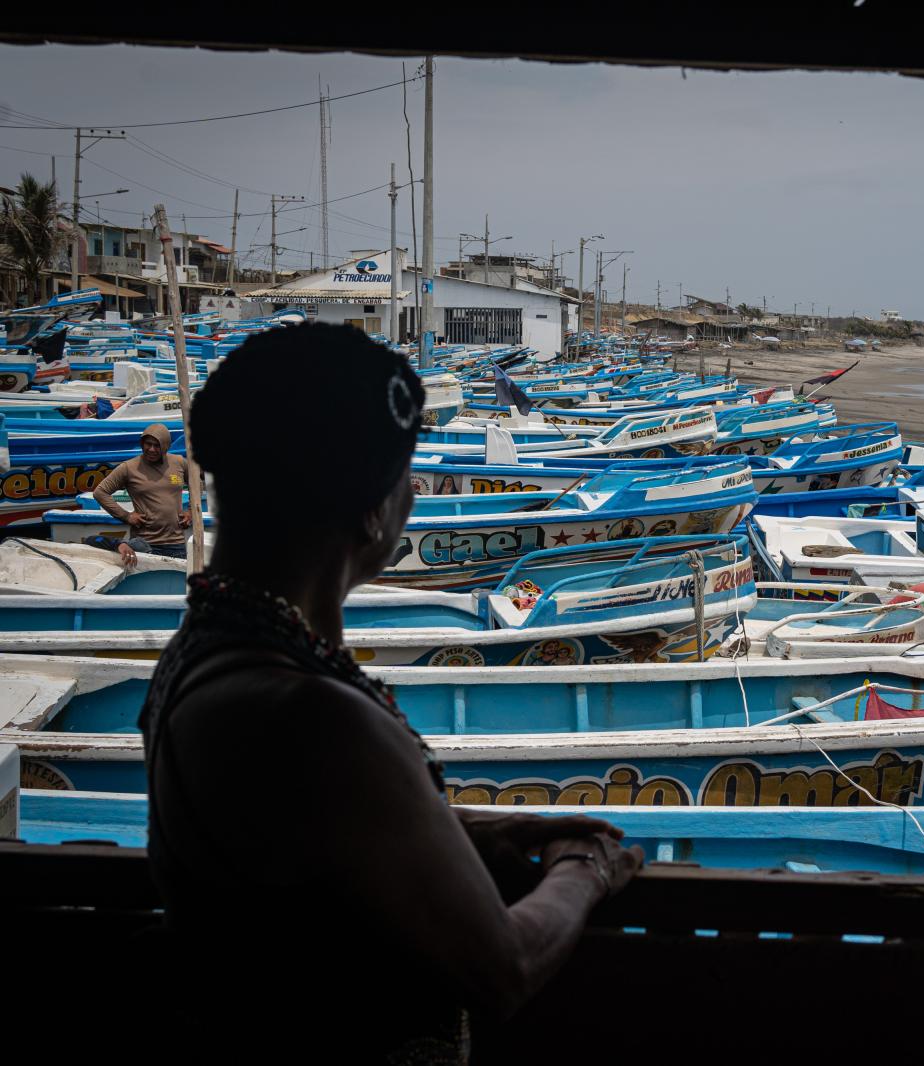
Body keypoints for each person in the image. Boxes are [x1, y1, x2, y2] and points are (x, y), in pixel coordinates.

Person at [137, 324, 642, 1058]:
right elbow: (504, 967)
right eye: (406, 475)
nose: (410, 493)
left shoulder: (198, 658)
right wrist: (586, 868)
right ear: (373, 512)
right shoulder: (320, 721)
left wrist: (462, 831)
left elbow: (299, 842)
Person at [90, 423, 191, 562]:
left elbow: (197, 484)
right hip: (144, 543)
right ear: (142, 443)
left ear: (166, 446)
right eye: (148, 444)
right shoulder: (129, 467)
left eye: (157, 445)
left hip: (176, 542)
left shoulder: (179, 462)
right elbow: (100, 492)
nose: (151, 449)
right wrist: (126, 516)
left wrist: (191, 512)